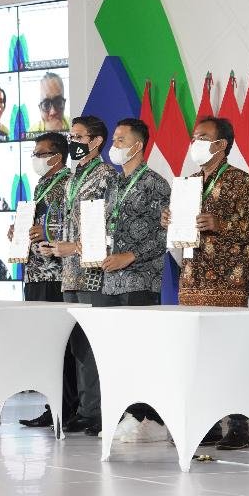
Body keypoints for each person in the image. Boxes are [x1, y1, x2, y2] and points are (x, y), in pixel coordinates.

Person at [160, 115, 249, 450]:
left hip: (228, 280)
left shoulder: (240, 181)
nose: (195, 143)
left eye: (202, 137)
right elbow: (181, 230)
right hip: (191, 278)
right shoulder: (188, 183)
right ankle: (208, 423)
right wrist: (170, 220)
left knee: (229, 354)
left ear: (221, 144)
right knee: (198, 355)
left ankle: (238, 426)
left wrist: (220, 224)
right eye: (194, 137)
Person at [95, 118, 171, 441]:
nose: (114, 145)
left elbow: (164, 235)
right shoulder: (113, 183)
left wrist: (131, 256)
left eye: (120, 140)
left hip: (140, 280)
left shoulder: (155, 183)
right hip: (110, 280)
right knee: (116, 353)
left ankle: (144, 416)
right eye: (114, 139)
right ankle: (124, 412)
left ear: (138, 145)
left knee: (140, 353)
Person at [50, 115, 117, 436]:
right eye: (71, 136)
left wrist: (75, 247)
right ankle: (85, 409)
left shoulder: (106, 177)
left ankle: (101, 411)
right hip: (70, 272)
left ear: (96, 141)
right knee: (77, 344)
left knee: (95, 344)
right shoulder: (73, 177)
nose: (73, 142)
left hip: (94, 271)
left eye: (78, 137)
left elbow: (108, 227)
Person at [14, 131, 76, 429]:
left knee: (61, 344)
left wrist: (48, 233)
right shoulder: (41, 185)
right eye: (35, 153)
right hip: (36, 272)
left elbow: (77, 225)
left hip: (57, 274)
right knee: (45, 345)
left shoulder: (69, 183)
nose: (36, 159)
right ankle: (53, 406)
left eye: (41, 153)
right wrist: (19, 231)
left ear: (57, 157)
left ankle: (68, 408)